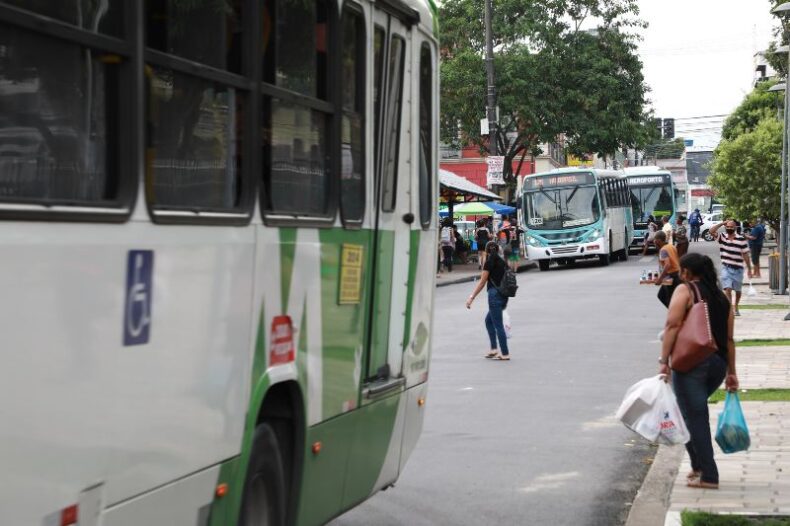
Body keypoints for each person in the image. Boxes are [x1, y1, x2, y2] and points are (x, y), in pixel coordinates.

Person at [658, 253, 738, 490]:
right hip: (718, 363)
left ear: (686, 272)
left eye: (682, 271)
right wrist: (731, 372)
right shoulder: (723, 299)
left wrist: (664, 361)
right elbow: (730, 339)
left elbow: (672, 325)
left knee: (694, 417)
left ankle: (709, 475)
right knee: (687, 415)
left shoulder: (686, 291)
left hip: (692, 361)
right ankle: (698, 466)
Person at [465, 241, 511, 361]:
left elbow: (482, 282)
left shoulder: (489, 263)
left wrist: (471, 298)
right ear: (498, 249)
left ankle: (505, 353)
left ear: (486, 251)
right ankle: (493, 349)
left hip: (494, 296)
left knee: (498, 325)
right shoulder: (502, 262)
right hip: (503, 295)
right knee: (489, 321)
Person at [710, 219, 753, 316]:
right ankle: (729, 309)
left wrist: (749, 269)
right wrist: (721, 223)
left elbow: (745, 255)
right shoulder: (722, 237)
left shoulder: (741, 239)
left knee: (738, 291)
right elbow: (711, 231)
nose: (729, 228)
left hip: (738, 269)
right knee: (727, 288)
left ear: (735, 228)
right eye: (727, 227)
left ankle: (736, 306)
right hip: (726, 267)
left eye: (731, 227)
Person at [653, 231, 681, 308]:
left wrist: (660, 279)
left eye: (655, 239)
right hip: (677, 274)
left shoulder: (663, 250)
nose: (654, 242)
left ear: (659, 240)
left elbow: (667, 265)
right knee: (662, 295)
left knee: (667, 298)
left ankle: (676, 314)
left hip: (671, 276)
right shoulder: (671, 246)